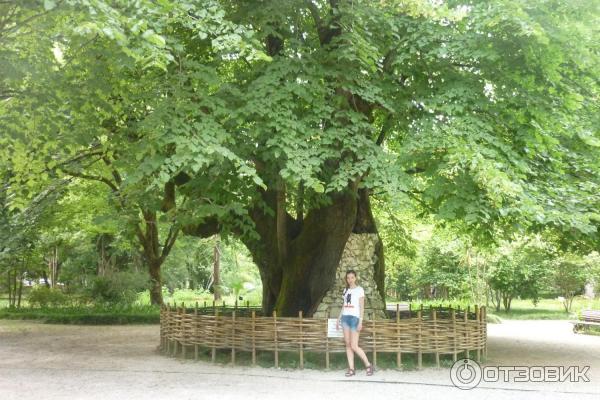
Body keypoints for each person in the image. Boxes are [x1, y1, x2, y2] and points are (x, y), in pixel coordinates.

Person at [336, 269, 374, 377]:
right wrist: (339, 319)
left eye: (352, 277)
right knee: (348, 344)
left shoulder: (360, 290)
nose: (350, 280)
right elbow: (344, 306)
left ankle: (368, 365)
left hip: (354, 319)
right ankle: (351, 369)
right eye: (348, 278)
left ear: (355, 278)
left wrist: (360, 321)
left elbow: (362, 307)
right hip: (345, 319)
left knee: (354, 345)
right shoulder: (345, 290)